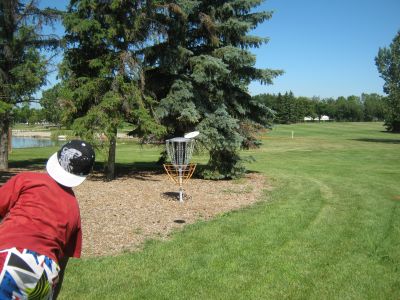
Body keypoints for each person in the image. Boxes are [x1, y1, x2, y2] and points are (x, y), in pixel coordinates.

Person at [0, 140, 95, 299]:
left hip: (11, 255)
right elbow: (62, 262)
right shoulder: (73, 209)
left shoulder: (27, 179)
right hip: (47, 271)